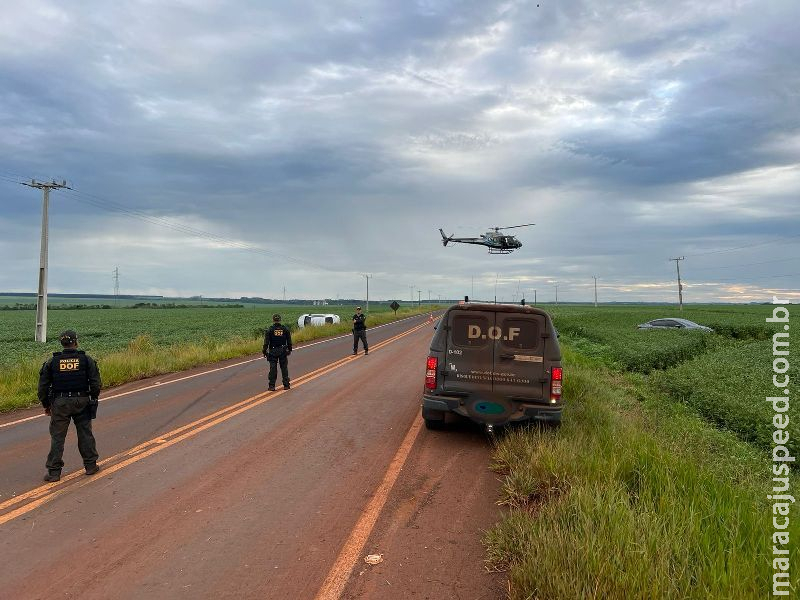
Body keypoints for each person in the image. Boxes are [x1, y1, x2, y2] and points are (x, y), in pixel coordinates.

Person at [38, 330, 101, 482]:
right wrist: (93, 398)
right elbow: (95, 383)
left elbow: (42, 388)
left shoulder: (52, 362)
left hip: (60, 403)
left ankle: (54, 473)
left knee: (57, 437)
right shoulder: (86, 359)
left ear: (62, 343)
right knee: (85, 434)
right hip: (82, 400)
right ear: (76, 342)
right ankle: (90, 466)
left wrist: (47, 405)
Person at [263, 314, 292, 391]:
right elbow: (289, 341)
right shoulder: (285, 329)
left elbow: (266, 342)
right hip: (283, 350)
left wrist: (264, 351)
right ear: (280, 320)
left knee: (273, 369)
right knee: (284, 368)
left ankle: (272, 386)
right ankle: (286, 385)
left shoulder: (270, 330)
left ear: (273, 320)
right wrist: (290, 350)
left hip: (273, 351)